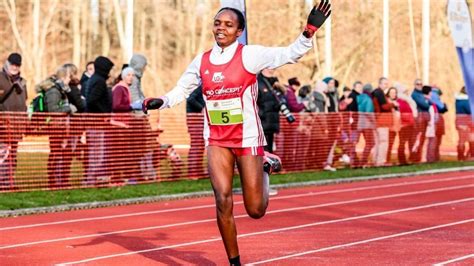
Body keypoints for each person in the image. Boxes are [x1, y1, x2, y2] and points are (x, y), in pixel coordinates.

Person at [141, 2, 331, 264]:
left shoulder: (250, 55)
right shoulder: (202, 60)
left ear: (239, 30)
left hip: (247, 138)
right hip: (217, 138)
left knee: (255, 210)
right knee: (222, 200)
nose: (221, 28)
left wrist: (309, 31)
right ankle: (234, 262)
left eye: (228, 25)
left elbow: (289, 54)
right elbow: (182, 90)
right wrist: (161, 101)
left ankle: (266, 166)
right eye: (217, 23)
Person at [36, 65, 78, 188]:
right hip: (55, 127)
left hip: (61, 126)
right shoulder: (53, 90)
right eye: (68, 78)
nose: (69, 81)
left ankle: (61, 180)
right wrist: (69, 109)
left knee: (62, 154)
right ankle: (53, 181)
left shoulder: (60, 89)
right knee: (56, 154)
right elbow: (53, 110)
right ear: (63, 78)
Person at [84, 56, 114, 185]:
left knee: (96, 153)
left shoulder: (94, 79)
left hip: (94, 122)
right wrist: (104, 114)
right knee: (96, 154)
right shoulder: (99, 81)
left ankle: (94, 178)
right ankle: (91, 180)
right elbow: (92, 100)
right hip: (97, 123)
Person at [0, 53, 27, 190]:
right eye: (12, 64)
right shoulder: (0, 78)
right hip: (3, 126)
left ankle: (9, 182)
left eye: (17, 65)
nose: (14, 67)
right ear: (7, 63)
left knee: (13, 157)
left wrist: (25, 123)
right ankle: (2, 183)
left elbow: (24, 103)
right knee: (2, 157)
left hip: (17, 126)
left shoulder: (22, 82)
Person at [256, 69, 280, 153]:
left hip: (271, 123)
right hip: (262, 123)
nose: (272, 69)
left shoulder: (272, 83)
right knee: (264, 151)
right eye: (269, 67)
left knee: (269, 151)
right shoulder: (258, 82)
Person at [372, 77, 394, 166]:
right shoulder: (379, 93)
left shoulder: (375, 93)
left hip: (377, 120)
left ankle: (376, 160)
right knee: (383, 141)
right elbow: (384, 106)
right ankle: (380, 161)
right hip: (382, 120)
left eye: (387, 84)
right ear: (380, 84)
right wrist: (393, 104)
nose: (386, 85)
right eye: (385, 83)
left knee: (378, 142)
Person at [186, 86, 206, 179]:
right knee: (196, 145)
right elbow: (191, 99)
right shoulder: (198, 85)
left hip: (198, 118)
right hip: (195, 118)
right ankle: (193, 173)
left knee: (200, 145)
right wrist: (202, 108)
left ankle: (198, 171)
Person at [356, 83, 376, 167]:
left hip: (358, 123)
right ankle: (363, 161)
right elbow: (369, 112)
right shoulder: (368, 99)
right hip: (367, 124)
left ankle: (356, 160)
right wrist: (374, 122)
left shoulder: (357, 97)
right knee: (371, 143)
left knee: (354, 142)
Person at [411, 78, 431, 162]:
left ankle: (419, 156)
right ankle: (415, 156)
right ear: (415, 85)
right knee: (418, 137)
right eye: (417, 84)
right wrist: (428, 102)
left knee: (422, 138)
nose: (419, 86)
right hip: (420, 117)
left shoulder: (422, 94)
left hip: (425, 117)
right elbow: (424, 105)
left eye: (420, 84)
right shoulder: (415, 94)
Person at [455, 86, 472, 160]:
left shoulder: (458, 100)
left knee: (462, 139)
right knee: (469, 139)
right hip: (466, 121)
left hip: (459, 121)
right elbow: (469, 110)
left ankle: (461, 156)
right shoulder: (465, 100)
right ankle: (465, 156)